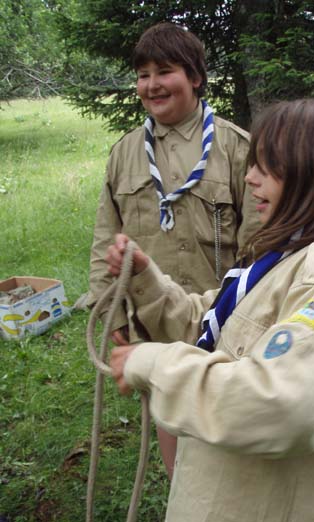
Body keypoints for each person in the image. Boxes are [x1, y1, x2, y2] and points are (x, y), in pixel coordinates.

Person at [106, 97, 314, 522]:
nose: (251, 178)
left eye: (267, 165)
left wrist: (155, 363)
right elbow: (220, 326)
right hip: (226, 513)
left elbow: (279, 403)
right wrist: (148, 281)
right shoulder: (288, 254)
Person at [87, 22, 260, 481]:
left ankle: (229, 491)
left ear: (196, 76)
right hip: (152, 315)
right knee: (166, 402)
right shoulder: (125, 153)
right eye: (143, 74)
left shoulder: (234, 147)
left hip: (219, 314)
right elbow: (107, 237)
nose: (152, 85)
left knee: (225, 410)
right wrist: (115, 315)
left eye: (165, 71)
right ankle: (180, 487)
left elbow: (261, 242)